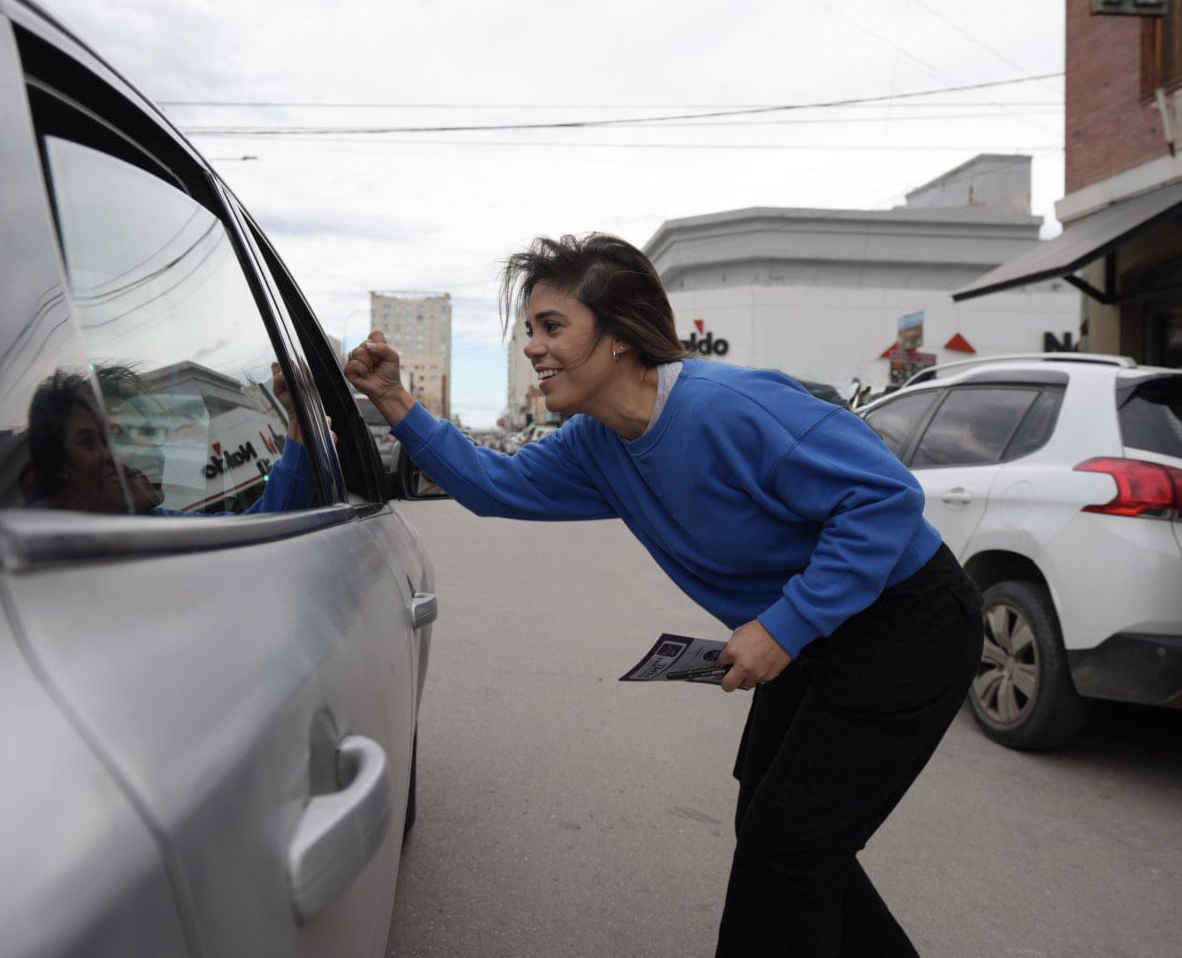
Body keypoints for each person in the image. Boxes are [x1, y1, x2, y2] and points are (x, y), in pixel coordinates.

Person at [346, 233, 982, 957]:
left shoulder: (728, 407)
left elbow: (885, 498)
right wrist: (395, 399)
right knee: (785, 839)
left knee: (788, 850)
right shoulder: (594, 444)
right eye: (529, 330)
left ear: (619, 338)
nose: (532, 347)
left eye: (552, 327)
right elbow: (498, 486)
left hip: (909, 627)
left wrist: (782, 628)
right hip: (818, 635)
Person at [22, 365, 313, 515]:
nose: (150, 451)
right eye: (121, 435)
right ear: (58, 472)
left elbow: (260, 522)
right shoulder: (38, 554)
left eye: (152, 434)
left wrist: (298, 416)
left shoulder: (159, 523)